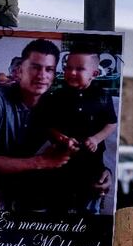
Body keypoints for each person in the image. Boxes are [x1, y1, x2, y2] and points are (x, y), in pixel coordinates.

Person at [0, 38, 73, 210]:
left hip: (30, 184)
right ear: (19, 70)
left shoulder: (57, 102)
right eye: (35, 67)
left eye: (49, 69)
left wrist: (102, 173)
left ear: (54, 75)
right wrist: (40, 162)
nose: (42, 75)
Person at [33, 49, 118, 214]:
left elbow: (111, 123)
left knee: (89, 211)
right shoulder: (54, 97)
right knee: (58, 208)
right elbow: (45, 125)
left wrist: (95, 139)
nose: (72, 72)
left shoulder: (102, 97)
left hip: (91, 166)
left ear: (93, 73)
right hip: (61, 166)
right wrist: (61, 138)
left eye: (79, 69)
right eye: (68, 67)